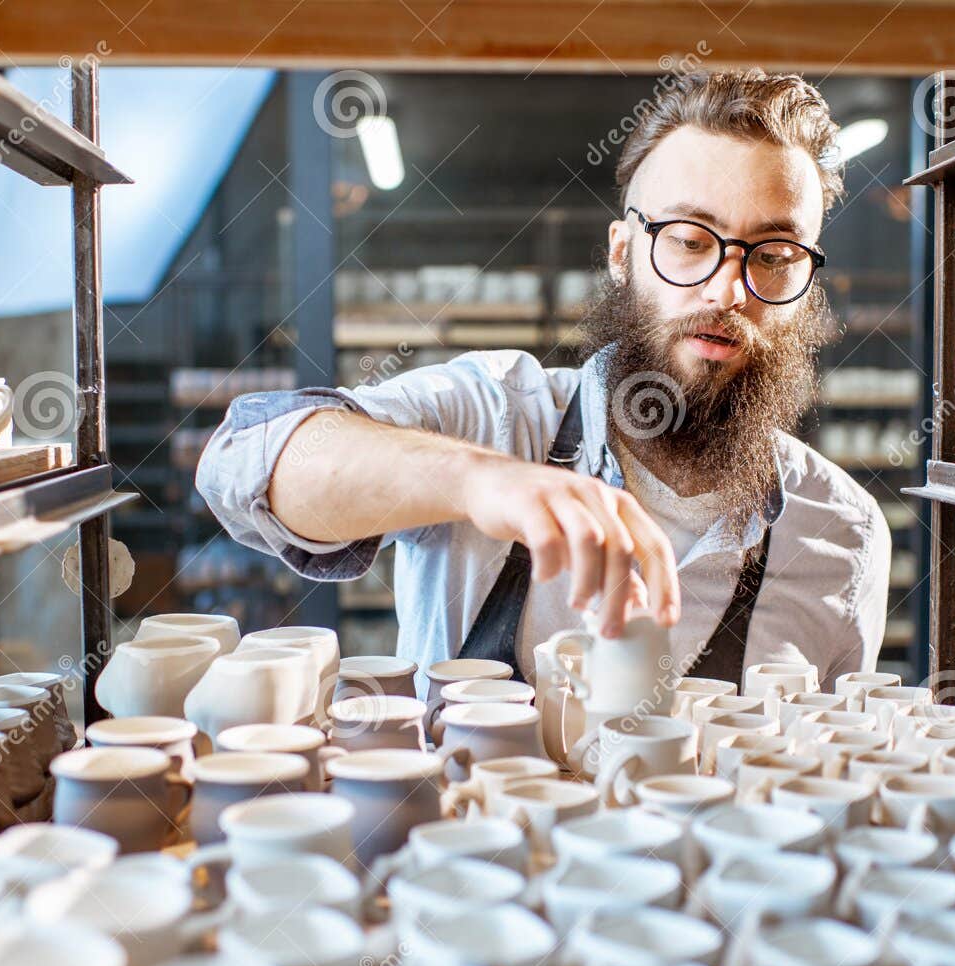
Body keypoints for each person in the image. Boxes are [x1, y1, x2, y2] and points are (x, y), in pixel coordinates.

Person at [196, 70, 891, 691]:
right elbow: (245, 461)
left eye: (773, 255)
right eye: (688, 239)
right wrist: (481, 482)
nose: (728, 288)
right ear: (624, 252)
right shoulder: (495, 416)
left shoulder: (843, 534)